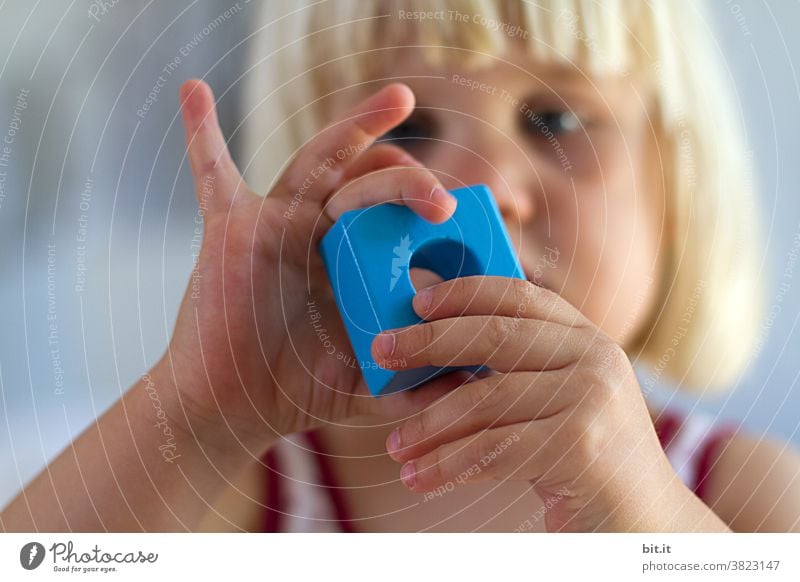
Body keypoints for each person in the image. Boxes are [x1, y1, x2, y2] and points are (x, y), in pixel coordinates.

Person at [4, 0, 800, 533]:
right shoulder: (238, 495)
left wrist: (645, 522)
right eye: (411, 131)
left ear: (676, 187)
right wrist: (202, 417)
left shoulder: (736, 495)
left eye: (552, 119)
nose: (479, 193)